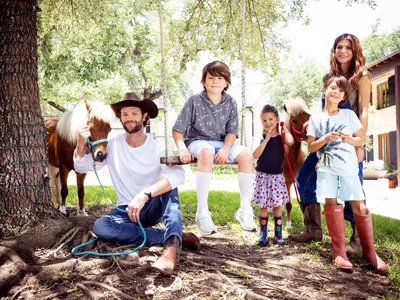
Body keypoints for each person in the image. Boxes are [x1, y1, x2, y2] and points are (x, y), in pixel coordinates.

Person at [73, 92, 200, 275]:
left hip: (151, 206)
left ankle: (171, 248)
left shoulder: (157, 147)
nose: (129, 118)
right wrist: (80, 143)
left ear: (144, 116)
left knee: (170, 185)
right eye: (124, 114)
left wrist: (145, 194)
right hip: (126, 211)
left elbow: (179, 175)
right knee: (101, 226)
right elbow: (83, 167)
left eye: (134, 113)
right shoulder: (113, 145)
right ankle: (173, 236)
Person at [290, 33, 370, 252]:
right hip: (325, 137)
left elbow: (363, 110)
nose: (343, 51)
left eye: (348, 47)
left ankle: (358, 239)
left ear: (355, 51)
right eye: (339, 47)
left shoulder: (361, 76)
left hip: (347, 138)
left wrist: (359, 142)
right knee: (304, 179)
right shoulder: (330, 77)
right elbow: (325, 110)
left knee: (354, 188)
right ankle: (314, 228)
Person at [307, 74, 388, 273]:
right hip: (326, 170)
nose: (336, 91)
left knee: (359, 207)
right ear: (324, 89)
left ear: (344, 96)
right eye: (332, 87)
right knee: (332, 205)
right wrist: (325, 138)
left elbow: (360, 141)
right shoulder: (315, 118)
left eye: (341, 90)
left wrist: (349, 139)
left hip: (349, 169)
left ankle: (370, 251)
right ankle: (339, 251)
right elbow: (310, 147)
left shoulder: (349, 116)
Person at [172, 61, 257, 235]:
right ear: (204, 81)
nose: (215, 81)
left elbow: (232, 131)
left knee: (247, 155)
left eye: (220, 78)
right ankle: (202, 211)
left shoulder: (230, 102)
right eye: (211, 78)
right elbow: (178, 129)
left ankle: (244, 209)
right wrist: (182, 148)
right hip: (198, 141)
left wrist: (226, 148)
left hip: (221, 143)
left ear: (226, 82)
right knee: (207, 152)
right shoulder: (195, 100)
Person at [252, 105, 294, 246]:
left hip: (276, 177)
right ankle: (263, 234)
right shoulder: (261, 137)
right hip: (262, 176)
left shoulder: (282, 138)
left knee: (277, 206)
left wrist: (284, 127)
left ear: (277, 120)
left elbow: (290, 142)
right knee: (263, 206)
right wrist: (267, 139)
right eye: (264, 120)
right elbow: (255, 155)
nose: (268, 122)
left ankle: (278, 234)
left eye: (271, 119)